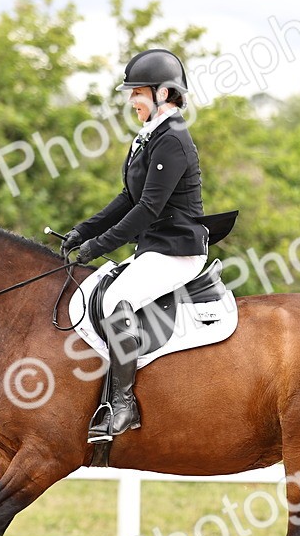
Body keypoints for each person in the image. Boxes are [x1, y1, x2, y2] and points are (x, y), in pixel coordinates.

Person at [61, 48, 212, 444]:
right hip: (155, 247)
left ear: (164, 93)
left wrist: (99, 245)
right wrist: (83, 230)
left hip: (177, 249)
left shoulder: (173, 139)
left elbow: (148, 208)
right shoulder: (149, 137)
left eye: (137, 93)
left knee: (116, 300)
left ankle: (123, 404)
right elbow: (127, 198)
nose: (131, 100)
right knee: (103, 291)